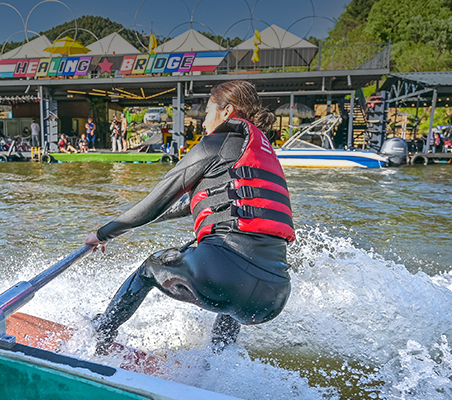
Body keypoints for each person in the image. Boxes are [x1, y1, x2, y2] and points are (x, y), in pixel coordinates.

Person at [85, 80, 295, 355]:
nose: (204, 121)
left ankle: (100, 334)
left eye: (208, 112)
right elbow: (189, 205)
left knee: (151, 267)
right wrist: (136, 223)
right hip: (273, 296)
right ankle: (216, 366)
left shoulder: (216, 143)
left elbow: (158, 200)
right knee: (230, 289)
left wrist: (104, 233)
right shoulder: (260, 152)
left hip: (223, 274)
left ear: (227, 111)